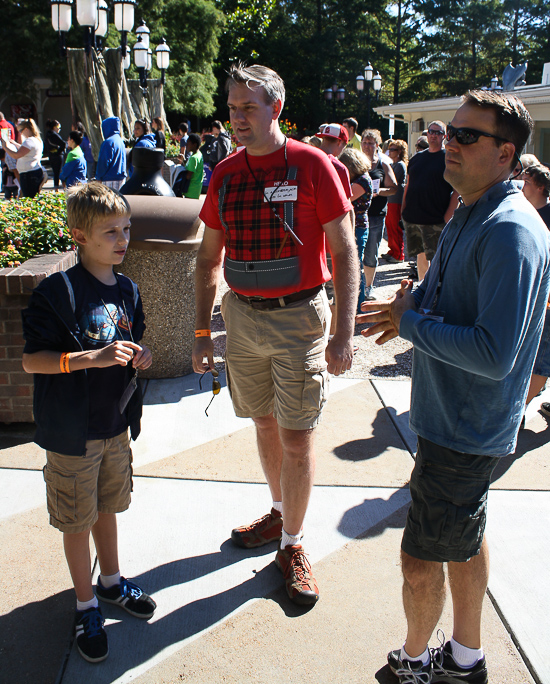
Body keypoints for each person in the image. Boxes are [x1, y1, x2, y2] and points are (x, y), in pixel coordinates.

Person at [359, 90, 549, 684]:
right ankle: (466, 658)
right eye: (449, 134)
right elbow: (450, 301)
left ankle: (416, 661)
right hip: (454, 421)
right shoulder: (470, 208)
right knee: (465, 537)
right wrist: (411, 304)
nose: (447, 145)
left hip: (468, 427)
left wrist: (412, 324)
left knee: (420, 558)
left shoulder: (510, 229)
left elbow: (495, 354)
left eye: (468, 136)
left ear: (506, 152)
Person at [192, 63, 358, 606]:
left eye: (249, 107)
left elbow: (345, 251)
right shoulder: (224, 173)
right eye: (233, 107)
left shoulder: (314, 165)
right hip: (241, 319)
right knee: (262, 421)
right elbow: (208, 259)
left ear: (275, 109)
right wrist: (201, 331)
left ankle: (293, 544)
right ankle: (280, 512)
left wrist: (342, 331)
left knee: (296, 434)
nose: (237, 118)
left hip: (298, 318)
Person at [21, 182, 156, 664]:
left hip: (114, 425)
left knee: (107, 507)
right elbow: (32, 362)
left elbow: (133, 340)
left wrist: (140, 357)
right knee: (76, 520)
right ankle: (85, 605)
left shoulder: (127, 288)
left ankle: (113, 583)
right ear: (79, 235)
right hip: (71, 434)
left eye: (126, 229)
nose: (122, 240)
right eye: (109, 232)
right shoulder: (57, 293)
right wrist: (88, 358)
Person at [401, 120, 460, 281]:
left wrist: (448, 215)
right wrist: (403, 210)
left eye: (438, 132)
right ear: (426, 134)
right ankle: (422, 288)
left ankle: (436, 292)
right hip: (414, 217)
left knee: (438, 259)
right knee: (420, 256)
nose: (433, 135)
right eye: (431, 132)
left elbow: (457, 190)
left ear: (444, 136)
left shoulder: (448, 159)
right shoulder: (417, 158)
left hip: (436, 218)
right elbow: (408, 184)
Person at [520, 163, 550, 414]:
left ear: (540, 187)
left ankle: (517, 409)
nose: (521, 184)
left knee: (542, 359)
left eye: (527, 181)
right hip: (528, 292)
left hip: (546, 296)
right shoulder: (521, 210)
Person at [361, 129, 397, 300]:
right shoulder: (355, 162)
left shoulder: (383, 164)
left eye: (370, 143)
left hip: (375, 215)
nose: (367, 146)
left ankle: (368, 287)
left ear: (377, 145)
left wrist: (378, 191)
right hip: (357, 214)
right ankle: (354, 287)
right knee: (353, 252)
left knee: (371, 252)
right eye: (365, 142)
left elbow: (394, 187)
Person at [339, 147, 373, 310]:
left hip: (358, 229)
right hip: (355, 227)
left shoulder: (363, 181)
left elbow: (343, 198)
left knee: (355, 268)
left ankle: (359, 307)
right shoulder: (361, 178)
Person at [1, 118, 44, 198]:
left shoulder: (29, 141)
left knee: (29, 198)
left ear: (26, 129)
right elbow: (25, 150)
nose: (20, 133)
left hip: (29, 174)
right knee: (33, 197)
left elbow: (16, 155)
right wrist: (14, 143)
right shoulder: (35, 139)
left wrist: (5, 147)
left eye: (21, 131)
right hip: (33, 172)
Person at [383, 139, 408, 263]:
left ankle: (398, 254)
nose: (389, 152)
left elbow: (394, 181)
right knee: (390, 226)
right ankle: (393, 250)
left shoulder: (400, 165)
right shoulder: (394, 164)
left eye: (392, 150)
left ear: (399, 152)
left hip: (396, 199)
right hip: (391, 199)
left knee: (395, 226)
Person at [96, 116, 127, 191]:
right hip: (121, 179)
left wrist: (98, 177)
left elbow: (103, 162)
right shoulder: (120, 141)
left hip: (109, 179)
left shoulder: (108, 142)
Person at [45, 119, 66, 191]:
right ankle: (63, 187)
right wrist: (60, 151)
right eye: (58, 127)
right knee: (60, 172)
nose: (59, 129)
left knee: (55, 172)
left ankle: (56, 187)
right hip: (58, 155)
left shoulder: (47, 134)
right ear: (54, 127)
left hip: (51, 155)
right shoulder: (54, 135)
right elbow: (63, 144)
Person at [182, 132, 204, 199]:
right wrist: (183, 161)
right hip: (196, 189)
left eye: (188, 143)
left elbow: (188, 175)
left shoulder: (193, 158)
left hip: (190, 190)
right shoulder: (199, 154)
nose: (186, 145)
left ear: (194, 145)